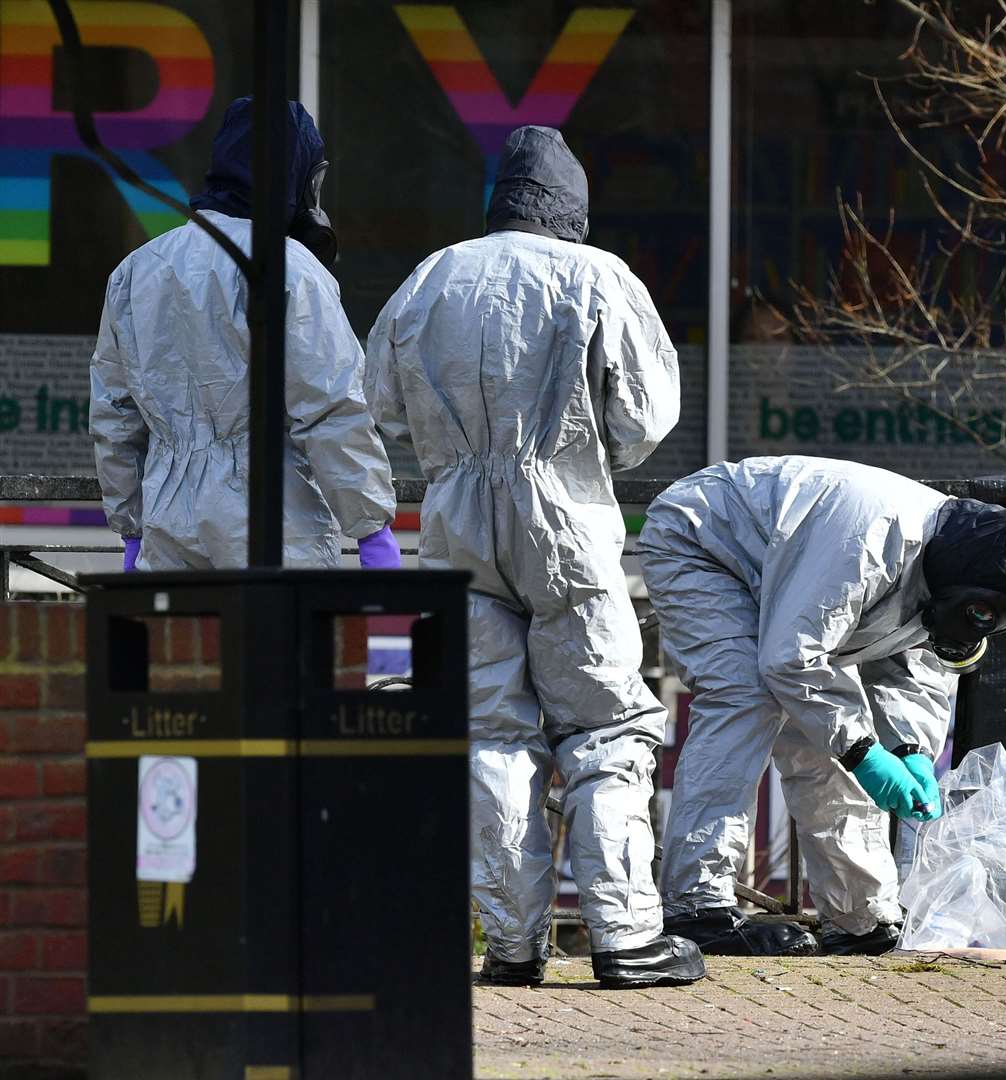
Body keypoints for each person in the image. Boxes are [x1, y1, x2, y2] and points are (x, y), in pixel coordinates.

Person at [365, 126, 703, 990]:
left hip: (455, 522)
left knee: (492, 734)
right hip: (566, 518)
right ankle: (626, 939)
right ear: (572, 209)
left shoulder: (430, 278)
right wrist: (580, 455)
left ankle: (511, 946)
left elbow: (379, 407)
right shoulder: (597, 277)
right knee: (604, 725)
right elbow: (646, 417)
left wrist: (453, 456)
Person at [638, 455, 1006, 956]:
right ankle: (697, 907)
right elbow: (793, 658)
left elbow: (914, 668)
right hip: (706, 541)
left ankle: (861, 917)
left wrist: (910, 751)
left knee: (830, 734)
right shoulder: (868, 540)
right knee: (746, 699)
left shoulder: (957, 571)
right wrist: (864, 750)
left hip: (789, 572)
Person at [90, 97, 399, 571]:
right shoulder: (288, 268)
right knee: (280, 645)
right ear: (301, 177)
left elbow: (114, 415)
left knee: (187, 645)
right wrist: (372, 527)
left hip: (168, 525)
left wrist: (131, 527)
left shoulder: (137, 270)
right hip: (273, 521)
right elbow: (330, 408)